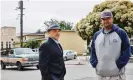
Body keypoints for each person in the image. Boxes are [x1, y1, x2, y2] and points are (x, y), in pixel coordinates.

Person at [90, 10, 131, 80]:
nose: (106, 21)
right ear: (101, 21)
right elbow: (93, 51)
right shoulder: (97, 35)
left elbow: (126, 51)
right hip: (100, 75)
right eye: (103, 19)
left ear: (112, 19)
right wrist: (95, 63)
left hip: (116, 76)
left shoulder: (121, 33)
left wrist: (118, 65)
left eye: (108, 18)